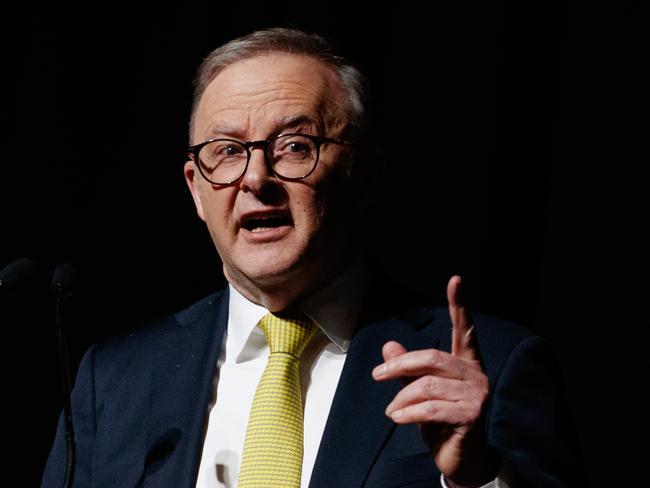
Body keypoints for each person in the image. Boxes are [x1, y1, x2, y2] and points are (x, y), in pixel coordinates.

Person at [42, 28, 581, 487]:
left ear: (363, 175)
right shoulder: (113, 379)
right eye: (227, 151)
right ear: (195, 190)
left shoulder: (492, 366)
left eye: (295, 146)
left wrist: (477, 479)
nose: (256, 179)